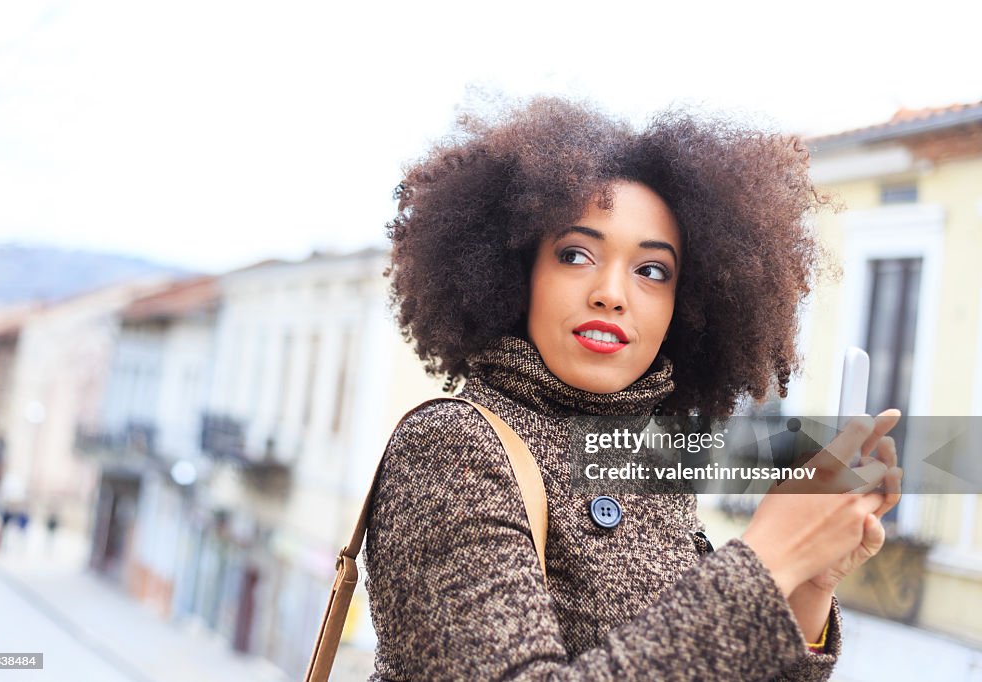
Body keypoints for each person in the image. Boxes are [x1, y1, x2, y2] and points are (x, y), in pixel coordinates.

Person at [363, 96, 903, 681]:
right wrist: (769, 559)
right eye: (576, 255)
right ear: (518, 276)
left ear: (686, 306)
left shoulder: (648, 458)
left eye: (652, 270)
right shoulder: (450, 445)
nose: (612, 293)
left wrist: (809, 582)